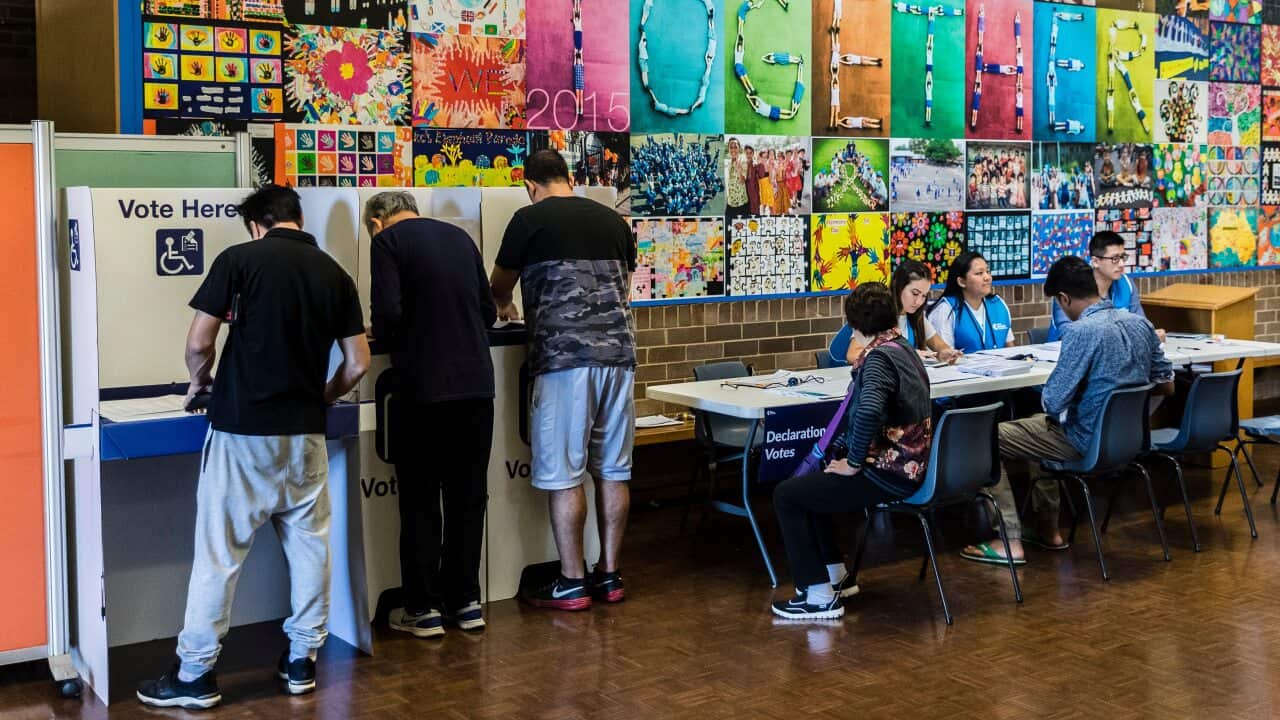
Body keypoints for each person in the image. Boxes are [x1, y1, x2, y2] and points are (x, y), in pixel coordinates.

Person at [137, 185, 370, 709]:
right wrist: (322, 396)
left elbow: (200, 342)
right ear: (298, 218)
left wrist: (200, 381)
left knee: (219, 556)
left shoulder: (239, 260)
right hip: (304, 433)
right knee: (311, 550)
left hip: (242, 433)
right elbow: (358, 363)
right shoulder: (335, 273)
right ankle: (301, 663)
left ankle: (195, 675)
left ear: (256, 223)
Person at [491, 149, 636, 610]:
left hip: (563, 360)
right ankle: (609, 575)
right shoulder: (614, 221)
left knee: (564, 473)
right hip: (619, 356)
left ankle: (572, 581)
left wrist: (505, 305)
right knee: (613, 469)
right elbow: (624, 285)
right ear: (569, 177)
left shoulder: (528, 219)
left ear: (529, 185)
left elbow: (498, 285)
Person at [960, 257, 1174, 564]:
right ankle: (1049, 530)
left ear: (1064, 299)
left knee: (986, 437)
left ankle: (1008, 540)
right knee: (1037, 427)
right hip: (1129, 441)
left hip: (1083, 440)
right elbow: (1166, 384)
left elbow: (1054, 401)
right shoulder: (1141, 324)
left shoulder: (1081, 332)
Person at [365, 191, 496, 638]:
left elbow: (387, 313)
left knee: (420, 497)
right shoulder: (460, 238)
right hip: (477, 384)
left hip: (422, 387)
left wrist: (382, 333)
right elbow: (488, 310)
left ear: (377, 222)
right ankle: (466, 601)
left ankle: (423, 608)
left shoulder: (387, 243)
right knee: (468, 495)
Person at [771, 283, 933, 619]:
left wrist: (854, 462)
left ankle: (816, 595)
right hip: (911, 466)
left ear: (854, 325)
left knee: (787, 495)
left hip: (891, 473)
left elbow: (870, 410)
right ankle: (834, 576)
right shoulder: (902, 348)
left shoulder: (876, 359)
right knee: (814, 486)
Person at [827, 260, 964, 365]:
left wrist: (945, 353)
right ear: (899, 286)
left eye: (924, 296)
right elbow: (853, 355)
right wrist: (907, 355)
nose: (919, 301)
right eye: (915, 293)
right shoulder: (878, 312)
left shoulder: (915, 316)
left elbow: (938, 344)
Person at [1048, 230, 1165, 342]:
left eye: (1123, 257)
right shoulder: (1072, 286)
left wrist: (1151, 335)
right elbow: (1067, 333)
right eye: (1115, 259)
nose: (1122, 264)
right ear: (1095, 262)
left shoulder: (1126, 284)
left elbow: (1141, 325)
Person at [927, 251, 1016, 354]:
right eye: (979, 273)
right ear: (961, 282)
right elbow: (945, 357)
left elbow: (1010, 349)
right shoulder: (945, 310)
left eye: (988, 271)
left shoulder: (999, 305)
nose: (987, 277)